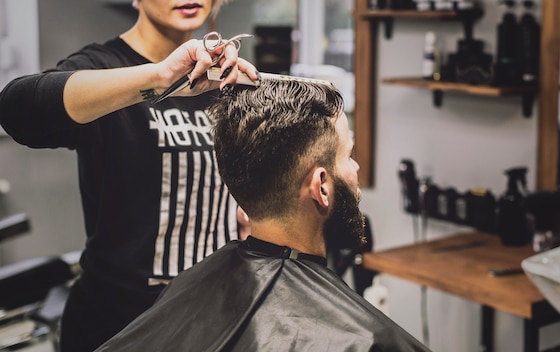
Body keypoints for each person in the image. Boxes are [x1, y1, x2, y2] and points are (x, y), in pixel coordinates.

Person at [93, 79, 431, 351]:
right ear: (321, 187)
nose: (356, 168)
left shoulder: (186, 287)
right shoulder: (370, 341)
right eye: (349, 154)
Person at [0, 1, 258, 351]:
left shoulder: (226, 79)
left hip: (211, 315)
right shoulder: (104, 66)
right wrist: (159, 76)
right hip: (119, 322)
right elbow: (17, 111)